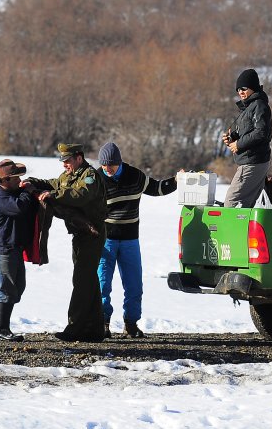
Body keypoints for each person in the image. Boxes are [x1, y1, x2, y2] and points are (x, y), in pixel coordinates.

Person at [26, 143, 108, 342]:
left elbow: (80, 195)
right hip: (81, 235)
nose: (65, 165)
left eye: (68, 161)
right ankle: (96, 330)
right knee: (89, 280)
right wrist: (33, 182)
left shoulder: (90, 176)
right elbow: (55, 183)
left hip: (92, 235)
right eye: (63, 162)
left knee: (81, 280)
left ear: (79, 158)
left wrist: (55, 196)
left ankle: (75, 328)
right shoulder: (69, 176)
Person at [96, 142, 178, 339]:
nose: (107, 169)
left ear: (119, 162)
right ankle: (103, 323)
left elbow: (157, 188)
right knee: (102, 283)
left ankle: (131, 324)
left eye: (111, 166)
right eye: (104, 165)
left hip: (130, 239)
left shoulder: (135, 176)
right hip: (106, 239)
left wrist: (177, 180)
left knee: (134, 285)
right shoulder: (97, 178)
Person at [0, 159, 37, 341]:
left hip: (13, 248)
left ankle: (1, 328)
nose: (19, 180)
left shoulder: (11, 192)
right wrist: (27, 191)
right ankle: (1, 329)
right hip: (3, 250)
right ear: (6, 180)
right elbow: (20, 208)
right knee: (6, 289)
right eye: (16, 177)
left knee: (18, 287)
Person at [222, 68, 272, 208]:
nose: (240, 92)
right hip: (251, 161)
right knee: (244, 205)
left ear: (253, 88)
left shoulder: (259, 106)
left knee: (231, 203)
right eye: (238, 90)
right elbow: (247, 131)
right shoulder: (249, 108)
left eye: (244, 88)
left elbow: (261, 132)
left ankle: (232, 230)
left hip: (253, 162)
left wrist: (238, 144)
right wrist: (231, 138)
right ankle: (244, 230)